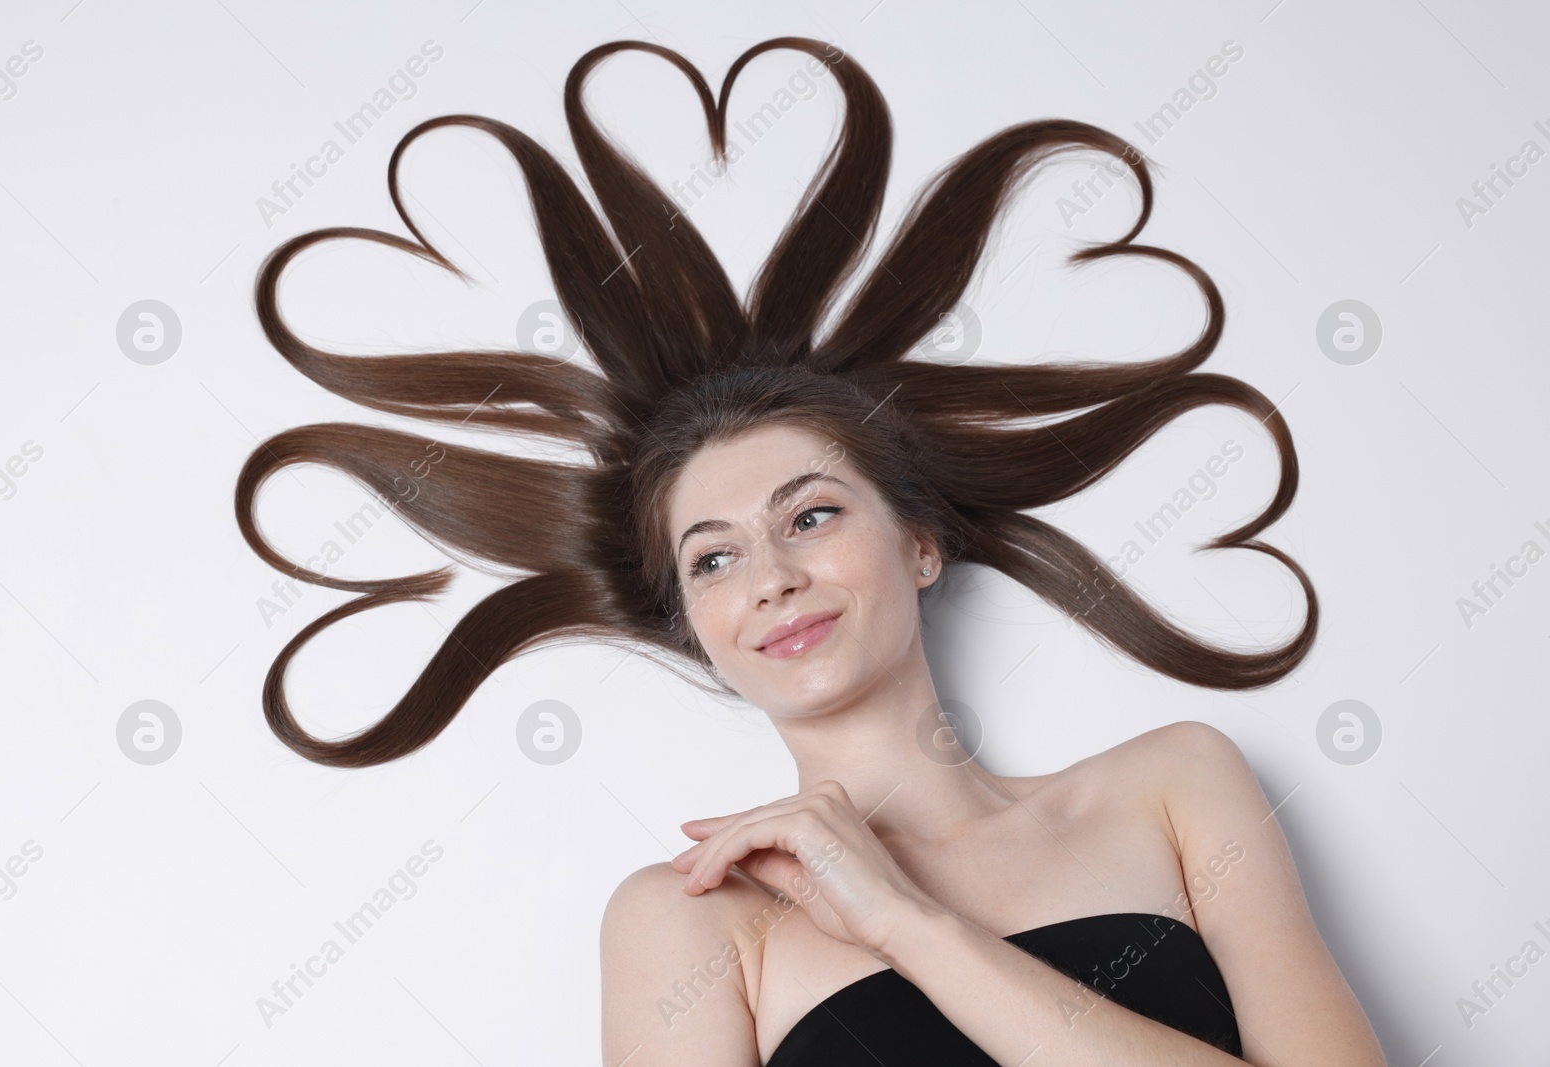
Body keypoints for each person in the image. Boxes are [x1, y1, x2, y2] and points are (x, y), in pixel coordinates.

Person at [234, 34, 1388, 1067]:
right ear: (694, 623)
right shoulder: (687, 919)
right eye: (714, 558)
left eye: (812, 515)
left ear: (922, 545)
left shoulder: (1173, 786)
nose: (772, 573)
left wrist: (906, 924)